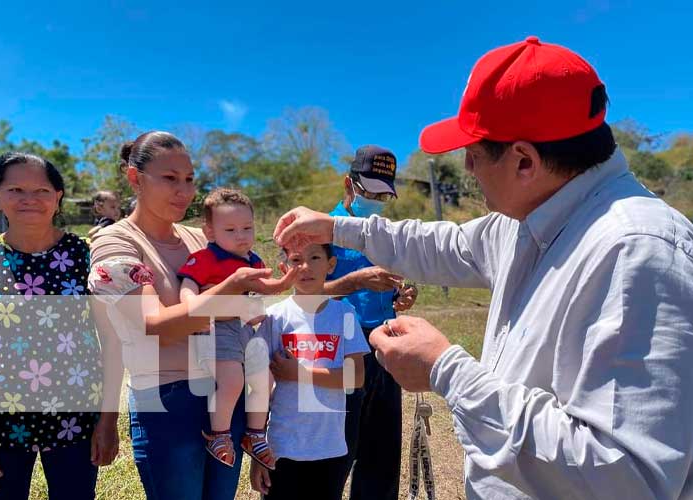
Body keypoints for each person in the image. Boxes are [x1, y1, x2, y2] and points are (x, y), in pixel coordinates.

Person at [272, 36, 693, 500]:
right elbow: (445, 244)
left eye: (474, 151)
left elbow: (627, 477)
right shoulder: (536, 218)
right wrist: (335, 227)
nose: (467, 166)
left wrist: (446, 372)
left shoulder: (636, 253)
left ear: (525, 161)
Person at [88, 131, 296, 500]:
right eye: (169, 179)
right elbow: (157, 328)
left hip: (225, 394)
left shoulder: (202, 238)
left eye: (189, 179)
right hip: (168, 401)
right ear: (134, 178)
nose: (183, 191)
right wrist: (231, 287)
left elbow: (246, 309)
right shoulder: (117, 243)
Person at [0, 152, 118, 499]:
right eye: (15, 189)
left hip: (75, 418)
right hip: (1, 422)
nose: (29, 199)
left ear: (58, 196)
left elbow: (111, 341)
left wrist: (107, 421)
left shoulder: (86, 256)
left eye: (42, 190)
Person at [324, 144, 418, 499]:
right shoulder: (323, 233)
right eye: (369, 192)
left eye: (384, 195)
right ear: (349, 185)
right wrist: (357, 280)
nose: (376, 202)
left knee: (381, 454)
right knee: (335, 451)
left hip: (384, 344)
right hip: (340, 347)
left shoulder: (385, 233)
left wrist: (402, 297)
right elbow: (306, 293)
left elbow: (393, 286)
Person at [250, 243, 369, 500]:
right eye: (295, 260)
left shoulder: (345, 314)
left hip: (330, 448)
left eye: (315, 257)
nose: (305, 267)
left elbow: (356, 378)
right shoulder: (274, 317)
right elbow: (259, 389)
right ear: (284, 269)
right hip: (281, 448)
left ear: (331, 265)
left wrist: (299, 373)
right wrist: (258, 450)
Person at [177, 188, 275, 470]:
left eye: (247, 227)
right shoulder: (204, 258)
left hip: (244, 328)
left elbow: (259, 299)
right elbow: (188, 291)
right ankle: (219, 435)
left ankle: (255, 435)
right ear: (210, 232)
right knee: (232, 381)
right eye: (230, 229)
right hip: (214, 329)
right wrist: (194, 306)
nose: (241, 235)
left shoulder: (254, 261)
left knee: (265, 378)